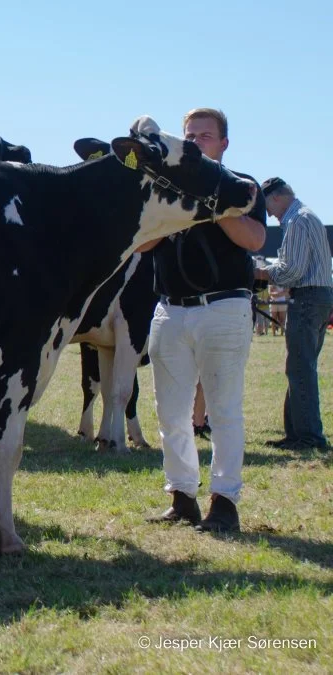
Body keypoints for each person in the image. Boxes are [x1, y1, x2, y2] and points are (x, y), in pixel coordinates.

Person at [146, 108, 266, 534]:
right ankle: (182, 497)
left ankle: (225, 502)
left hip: (224, 306)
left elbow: (254, 239)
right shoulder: (163, 188)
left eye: (206, 136)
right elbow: (144, 245)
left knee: (223, 408)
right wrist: (173, 207)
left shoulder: (241, 186)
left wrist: (216, 204)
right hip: (171, 308)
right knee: (170, 411)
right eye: (190, 135)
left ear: (223, 144)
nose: (196, 141)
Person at [255, 177, 333, 450]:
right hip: (320, 297)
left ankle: (309, 436)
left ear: (276, 197)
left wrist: (260, 273)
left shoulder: (296, 220)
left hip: (308, 297)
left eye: (268, 208)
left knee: (300, 368)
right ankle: (297, 434)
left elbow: (292, 270)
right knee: (300, 366)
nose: (271, 216)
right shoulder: (307, 215)